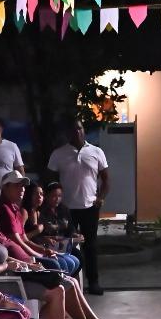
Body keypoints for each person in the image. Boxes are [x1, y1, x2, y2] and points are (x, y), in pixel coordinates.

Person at [48, 119, 109, 294]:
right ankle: (71, 284)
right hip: (67, 209)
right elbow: (50, 180)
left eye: (79, 128)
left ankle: (94, 282)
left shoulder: (96, 152)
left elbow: (106, 179)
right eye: (73, 129)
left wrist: (100, 198)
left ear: (84, 130)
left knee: (91, 245)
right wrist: (55, 202)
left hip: (90, 207)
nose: (76, 132)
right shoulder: (58, 154)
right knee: (68, 246)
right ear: (68, 133)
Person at [0, 172, 79, 274]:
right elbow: (18, 241)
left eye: (23, 186)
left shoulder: (15, 209)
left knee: (72, 261)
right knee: (57, 264)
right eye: (17, 185)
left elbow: (25, 239)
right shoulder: (3, 209)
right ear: (5, 187)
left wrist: (44, 251)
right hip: (18, 260)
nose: (22, 189)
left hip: (30, 254)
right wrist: (40, 255)